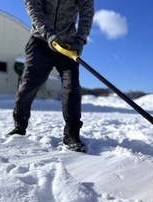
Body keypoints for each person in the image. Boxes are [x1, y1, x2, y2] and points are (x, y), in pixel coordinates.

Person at [9, 0, 94, 153]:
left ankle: (71, 134)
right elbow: (33, 6)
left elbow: (86, 13)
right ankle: (19, 126)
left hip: (67, 45)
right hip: (41, 41)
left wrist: (79, 40)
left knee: (71, 86)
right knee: (28, 84)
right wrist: (48, 33)